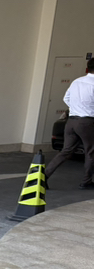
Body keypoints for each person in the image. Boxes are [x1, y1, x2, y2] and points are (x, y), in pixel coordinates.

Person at [45, 58, 94, 189]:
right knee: (90, 152)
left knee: (65, 151)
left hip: (71, 121)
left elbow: (66, 98)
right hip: (87, 122)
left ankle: (44, 177)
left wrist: (76, 108)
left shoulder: (76, 81)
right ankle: (86, 181)